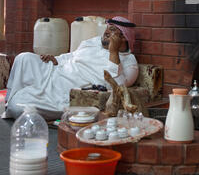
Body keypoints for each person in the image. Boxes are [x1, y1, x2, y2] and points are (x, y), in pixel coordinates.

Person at [3, 16, 138, 120]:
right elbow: (72, 55)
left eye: (113, 30)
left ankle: (19, 104)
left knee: (19, 108)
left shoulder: (129, 61)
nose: (107, 32)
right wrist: (56, 58)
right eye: (107, 28)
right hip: (57, 71)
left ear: (124, 37)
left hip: (71, 88)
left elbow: (117, 87)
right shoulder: (93, 42)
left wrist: (113, 52)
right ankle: (9, 100)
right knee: (24, 58)